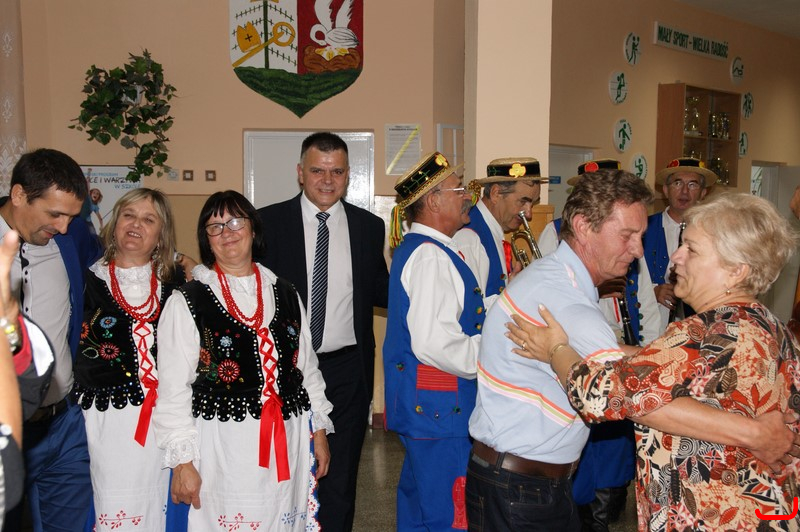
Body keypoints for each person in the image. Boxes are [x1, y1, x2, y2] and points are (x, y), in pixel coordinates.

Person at [509, 193, 800, 530]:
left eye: (692, 249)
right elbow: (669, 365)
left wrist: (555, 349)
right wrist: (599, 345)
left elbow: (600, 395)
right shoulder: (769, 327)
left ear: (736, 271)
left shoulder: (708, 332)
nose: (676, 256)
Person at [466, 169, 653, 531]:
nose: (638, 250)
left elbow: (604, 350)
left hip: (517, 481)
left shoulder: (553, 275)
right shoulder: (567, 301)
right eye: (627, 235)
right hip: (522, 490)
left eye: (641, 236)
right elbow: (632, 395)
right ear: (583, 226)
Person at [154, 190, 334, 531]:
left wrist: (320, 433)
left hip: (289, 438)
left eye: (235, 222)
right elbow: (173, 389)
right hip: (225, 447)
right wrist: (183, 463)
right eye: (215, 226)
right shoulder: (188, 300)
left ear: (253, 229)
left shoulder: (286, 292)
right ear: (207, 240)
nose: (227, 232)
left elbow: (307, 369)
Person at [256, 131, 388, 532]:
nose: (327, 180)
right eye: (317, 170)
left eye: (337, 172)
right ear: (300, 173)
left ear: (348, 175)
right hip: (284, 369)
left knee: (340, 478)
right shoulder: (267, 223)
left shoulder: (369, 227)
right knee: (283, 470)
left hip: (347, 371)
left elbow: (380, 289)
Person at [537, 159, 658, 530]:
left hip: (618, 347)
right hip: (579, 354)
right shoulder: (554, 233)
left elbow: (646, 299)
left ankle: (605, 513)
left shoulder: (629, 240)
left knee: (615, 456)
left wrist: (652, 349)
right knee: (587, 459)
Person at [71, 188, 195, 530]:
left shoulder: (179, 285)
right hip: (104, 425)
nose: (136, 224)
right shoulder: (84, 280)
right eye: (128, 215)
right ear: (115, 223)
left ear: (161, 235)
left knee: (162, 509)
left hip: (166, 421)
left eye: (148, 219)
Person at [0, 148, 102, 532]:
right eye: (55, 214)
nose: (63, 226)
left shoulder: (71, 238)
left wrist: (177, 261)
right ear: (19, 195)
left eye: (72, 217)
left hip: (64, 424)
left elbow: (116, 256)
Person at [384, 151, 483, 531]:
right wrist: (489, 354)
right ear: (434, 201)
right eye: (459, 189)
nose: (467, 196)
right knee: (449, 514)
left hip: (431, 409)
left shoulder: (429, 249)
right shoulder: (430, 256)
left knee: (421, 506)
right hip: (442, 409)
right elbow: (434, 342)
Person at [643, 157, 717, 332]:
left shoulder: (714, 233)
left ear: (703, 193)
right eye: (677, 183)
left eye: (692, 185)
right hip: (651, 327)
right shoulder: (643, 228)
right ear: (665, 190)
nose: (684, 191)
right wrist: (652, 292)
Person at [453, 157, 544, 297]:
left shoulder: (491, 229)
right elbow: (473, 305)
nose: (529, 214)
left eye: (533, 204)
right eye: (522, 202)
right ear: (496, 194)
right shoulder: (470, 238)